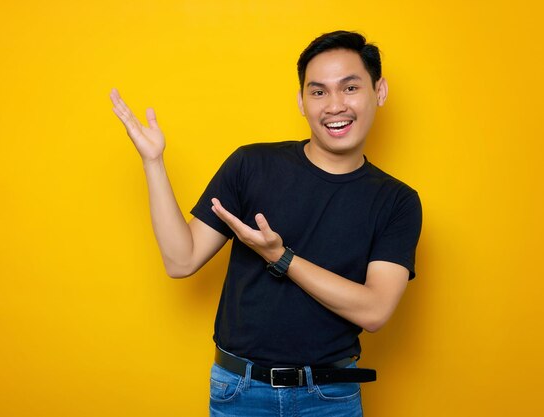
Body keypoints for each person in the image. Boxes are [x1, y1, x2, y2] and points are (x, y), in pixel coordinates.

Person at [110, 30, 422, 417]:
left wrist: (281, 257)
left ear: (380, 91)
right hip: (240, 392)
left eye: (351, 87)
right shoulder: (251, 166)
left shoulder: (397, 201)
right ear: (301, 102)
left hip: (331, 398)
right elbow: (181, 260)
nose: (335, 105)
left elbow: (374, 310)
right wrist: (153, 162)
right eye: (318, 92)